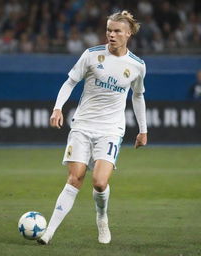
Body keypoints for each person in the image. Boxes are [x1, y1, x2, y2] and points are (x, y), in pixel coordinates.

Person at [38, 10, 147, 245]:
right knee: (75, 177)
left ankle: (101, 217)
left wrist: (143, 129)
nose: (111, 34)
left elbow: (138, 97)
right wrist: (58, 108)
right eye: (109, 29)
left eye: (117, 30)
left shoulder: (137, 66)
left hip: (111, 130)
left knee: (99, 182)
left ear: (128, 33)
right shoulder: (91, 55)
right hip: (82, 125)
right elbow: (70, 82)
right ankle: (49, 231)